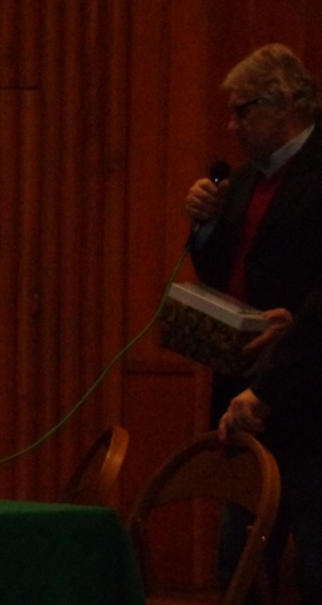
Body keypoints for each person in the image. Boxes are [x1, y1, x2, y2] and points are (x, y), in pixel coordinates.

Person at [184, 44, 322, 602]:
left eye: (242, 111)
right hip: (242, 402)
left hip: (308, 405)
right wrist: (205, 227)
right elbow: (226, 278)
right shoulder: (241, 182)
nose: (231, 125)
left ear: (283, 102)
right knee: (236, 571)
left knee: (314, 570)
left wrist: (269, 385)